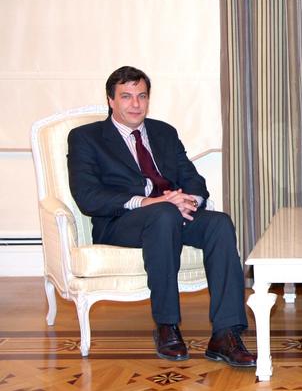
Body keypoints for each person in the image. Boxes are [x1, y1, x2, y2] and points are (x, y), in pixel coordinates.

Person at [67, 66, 255, 367]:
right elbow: (88, 196)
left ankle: (225, 334)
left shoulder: (164, 132)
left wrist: (187, 200)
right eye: (126, 96)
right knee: (163, 214)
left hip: (172, 213)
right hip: (121, 222)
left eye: (142, 96)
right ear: (111, 100)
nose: (136, 104)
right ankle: (167, 326)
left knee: (219, 223)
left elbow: (194, 181)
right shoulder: (86, 138)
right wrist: (149, 202)